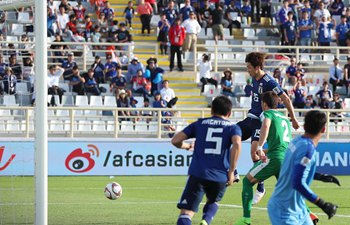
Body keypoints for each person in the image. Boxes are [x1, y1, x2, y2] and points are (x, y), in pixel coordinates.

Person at [236, 52, 299, 205]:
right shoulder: (254, 79)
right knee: (231, 134)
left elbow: (285, 98)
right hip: (251, 117)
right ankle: (232, 171)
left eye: (249, 67)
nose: (248, 70)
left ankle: (261, 186)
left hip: (261, 120)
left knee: (254, 153)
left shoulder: (269, 82)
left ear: (258, 67)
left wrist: (294, 118)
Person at [172, 95, 242, 225]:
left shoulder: (199, 124)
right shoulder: (233, 127)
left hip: (199, 173)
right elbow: (237, 144)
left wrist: (187, 146)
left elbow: (175, 140)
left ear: (211, 110)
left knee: (186, 213)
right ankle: (206, 221)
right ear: (229, 113)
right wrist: (231, 171)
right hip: (220, 176)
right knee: (213, 201)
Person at [268, 110, 338, 225]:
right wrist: (322, 204)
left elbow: (295, 170)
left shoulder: (296, 141)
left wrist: (320, 176)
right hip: (285, 211)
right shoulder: (307, 149)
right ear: (323, 129)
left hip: (300, 210)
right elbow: (297, 182)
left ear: (304, 126)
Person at [235, 91, 292, 225]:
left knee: (247, 182)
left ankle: (246, 219)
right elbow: (283, 143)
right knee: (287, 190)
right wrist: (266, 150)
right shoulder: (285, 118)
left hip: (275, 158)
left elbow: (265, 126)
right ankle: (308, 214)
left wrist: (260, 146)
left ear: (264, 104)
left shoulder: (267, 114)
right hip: (286, 157)